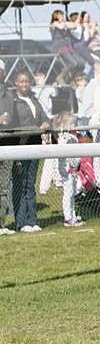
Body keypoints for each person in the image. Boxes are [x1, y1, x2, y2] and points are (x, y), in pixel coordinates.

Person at [12, 70, 48, 232]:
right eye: (21, 81)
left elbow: (44, 117)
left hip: (35, 145)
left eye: (27, 81)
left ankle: (33, 220)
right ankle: (21, 222)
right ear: (16, 83)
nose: (24, 84)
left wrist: (46, 124)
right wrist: (35, 128)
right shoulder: (13, 102)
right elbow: (16, 126)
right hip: (21, 146)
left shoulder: (34, 100)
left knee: (30, 184)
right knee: (21, 184)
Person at [52, 111, 85, 227]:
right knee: (68, 192)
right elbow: (66, 153)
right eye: (72, 124)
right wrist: (74, 165)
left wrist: (77, 164)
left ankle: (73, 214)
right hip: (67, 169)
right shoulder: (64, 137)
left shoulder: (72, 136)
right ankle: (67, 217)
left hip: (74, 168)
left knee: (72, 192)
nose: (74, 126)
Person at [0, 60, 18, 235]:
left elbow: (12, 117)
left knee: (4, 187)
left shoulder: (9, 94)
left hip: (7, 143)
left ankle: (1, 223)